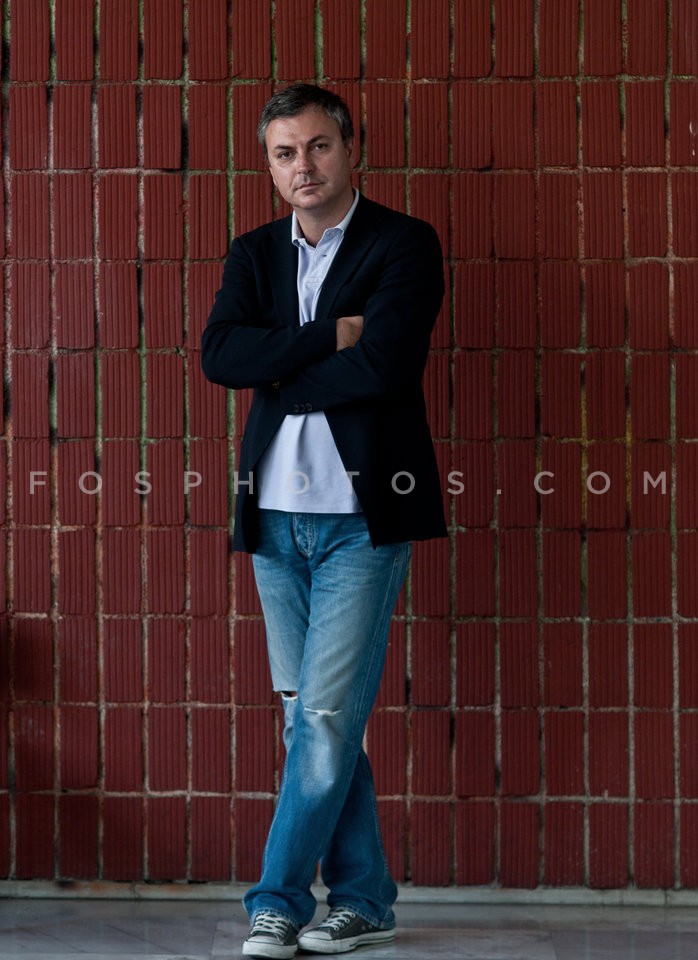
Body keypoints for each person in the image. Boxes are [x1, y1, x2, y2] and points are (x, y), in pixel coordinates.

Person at [201, 83, 446, 959]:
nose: (302, 166)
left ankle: (275, 901)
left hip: (361, 521)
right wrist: (319, 338)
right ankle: (365, 900)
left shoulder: (402, 243)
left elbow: (383, 366)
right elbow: (219, 356)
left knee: (325, 720)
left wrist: (276, 366)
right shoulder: (254, 253)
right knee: (314, 720)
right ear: (269, 166)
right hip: (274, 521)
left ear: (350, 149)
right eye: (284, 153)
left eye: (317, 147)